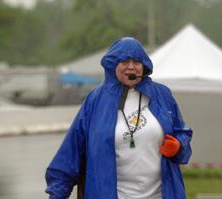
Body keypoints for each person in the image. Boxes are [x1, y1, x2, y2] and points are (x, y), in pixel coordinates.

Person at [45, 37, 193, 199]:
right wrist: (57, 193)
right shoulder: (95, 100)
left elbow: (182, 133)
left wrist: (179, 146)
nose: (131, 67)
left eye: (137, 62)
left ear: (144, 66)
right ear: (113, 65)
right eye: (124, 62)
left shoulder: (162, 95)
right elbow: (71, 152)